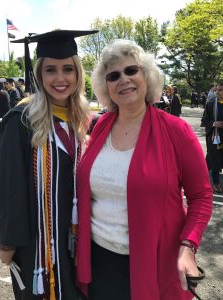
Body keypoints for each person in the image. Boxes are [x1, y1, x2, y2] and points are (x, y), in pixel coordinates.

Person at [76, 39, 213, 300]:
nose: (123, 80)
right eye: (113, 75)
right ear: (106, 87)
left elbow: (202, 197)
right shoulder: (99, 126)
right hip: (99, 262)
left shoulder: (176, 131)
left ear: (146, 75)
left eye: (131, 70)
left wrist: (188, 246)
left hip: (155, 263)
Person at [0, 29, 98, 300]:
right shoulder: (22, 120)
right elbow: (11, 189)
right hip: (38, 245)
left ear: (78, 74)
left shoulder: (84, 121)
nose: (60, 78)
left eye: (68, 69)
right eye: (51, 70)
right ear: (39, 74)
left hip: (79, 243)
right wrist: (7, 242)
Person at [201, 81, 223, 193]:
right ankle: (215, 183)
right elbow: (204, 120)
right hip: (214, 136)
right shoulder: (211, 104)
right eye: (217, 90)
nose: (218, 92)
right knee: (214, 160)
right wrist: (214, 123)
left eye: (221, 90)